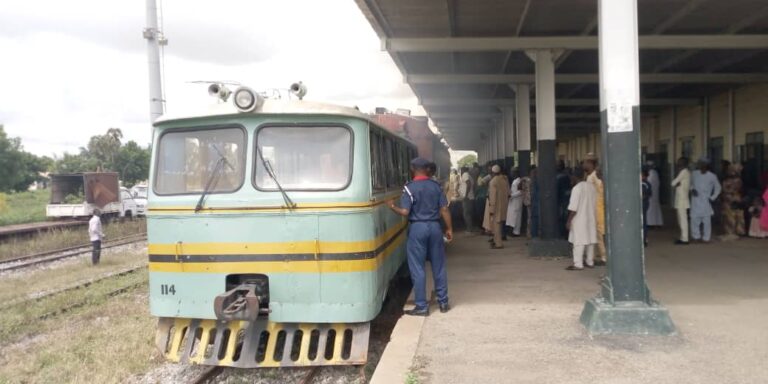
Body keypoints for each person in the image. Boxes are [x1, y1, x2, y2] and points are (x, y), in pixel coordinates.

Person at [388, 157, 453, 316]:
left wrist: (392, 206)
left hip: (418, 229)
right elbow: (444, 209)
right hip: (435, 227)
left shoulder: (409, 188)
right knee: (439, 266)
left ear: (413, 169)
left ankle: (422, 306)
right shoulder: (436, 186)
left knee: (417, 268)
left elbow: (405, 212)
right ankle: (443, 302)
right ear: (427, 169)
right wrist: (449, 228)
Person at [565, 162, 598, 270]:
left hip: (579, 218)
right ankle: (590, 261)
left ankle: (578, 264)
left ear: (574, 177)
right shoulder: (591, 187)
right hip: (591, 217)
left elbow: (573, 208)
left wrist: (569, 221)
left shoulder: (577, 189)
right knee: (590, 240)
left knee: (578, 241)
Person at [690, 158, 722, 243]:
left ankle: (706, 238)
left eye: (703, 164)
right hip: (695, 200)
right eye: (700, 164)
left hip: (706, 200)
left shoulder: (712, 176)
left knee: (706, 220)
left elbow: (718, 188)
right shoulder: (694, 174)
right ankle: (696, 236)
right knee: (694, 219)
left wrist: (712, 197)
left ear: (707, 166)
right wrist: (692, 189)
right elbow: (690, 184)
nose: (701, 166)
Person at [585, 155, 606, 265]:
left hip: (597, 207)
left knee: (599, 233)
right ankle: (598, 255)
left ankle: (604, 257)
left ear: (591, 164)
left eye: (586, 163)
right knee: (596, 233)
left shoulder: (594, 177)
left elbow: (599, 191)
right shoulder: (591, 176)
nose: (585, 165)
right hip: (595, 206)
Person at [720, 163, 746, 241]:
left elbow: (732, 189)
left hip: (732, 199)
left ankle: (732, 233)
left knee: (732, 216)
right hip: (731, 198)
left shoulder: (737, 180)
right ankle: (734, 232)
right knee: (732, 215)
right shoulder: (732, 180)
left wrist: (726, 191)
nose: (729, 172)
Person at [487, 164, 510, 249]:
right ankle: (496, 240)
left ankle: (498, 243)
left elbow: (492, 197)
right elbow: (509, 193)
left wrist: (491, 208)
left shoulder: (493, 182)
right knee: (500, 224)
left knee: (496, 225)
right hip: (504, 205)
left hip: (497, 206)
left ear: (493, 172)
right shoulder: (504, 180)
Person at [671, 157, 691, 245]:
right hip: (681, 198)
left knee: (683, 219)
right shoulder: (686, 172)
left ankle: (685, 239)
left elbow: (673, 183)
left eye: (679, 162)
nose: (677, 163)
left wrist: (677, 184)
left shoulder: (683, 172)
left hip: (682, 199)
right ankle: (682, 237)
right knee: (680, 219)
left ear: (683, 163)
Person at [556, 161, 572, 237]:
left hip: (561, 201)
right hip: (567, 199)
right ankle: (565, 234)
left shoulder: (558, 177)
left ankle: (562, 235)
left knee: (561, 218)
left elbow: (557, 190)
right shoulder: (567, 176)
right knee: (565, 216)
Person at [506, 168, 523, 237]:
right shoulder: (515, 181)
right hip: (513, 201)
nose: (511, 174)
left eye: (512, 172)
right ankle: (513, 231)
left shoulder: (519, 181)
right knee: (513, 217)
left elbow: (521, 191)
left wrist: (511, 195)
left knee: (516, 217)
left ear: (516, 173)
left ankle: (516, 232)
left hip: (517, 201)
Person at [646, 161, 664, 227]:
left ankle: (652, 224)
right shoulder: (654, 173)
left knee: (651, 209)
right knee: (653, 209)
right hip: (654, 194)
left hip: (652, 194)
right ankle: (655, 223)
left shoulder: (652, 173)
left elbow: (649, 183)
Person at [459, 166, 475, 233]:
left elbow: (468, 184)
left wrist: (465, 195)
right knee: (468, 213)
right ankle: (470, 228)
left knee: (466, 214)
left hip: (467, 198)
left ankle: (469, 229)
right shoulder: (469, 175)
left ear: (462, 170)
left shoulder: (465, 174)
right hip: (470, 197)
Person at [641, 169, 652, 247]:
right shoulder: (645, 183)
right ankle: (643, 238)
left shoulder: (645, 184)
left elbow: (646, 194)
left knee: (643, 222)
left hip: (643, 204)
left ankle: (644, 239)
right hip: (643, 204)